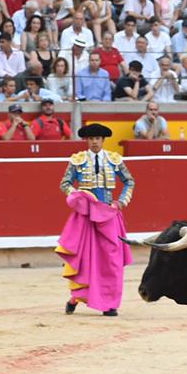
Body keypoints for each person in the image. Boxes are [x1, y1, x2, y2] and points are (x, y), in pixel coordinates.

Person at [55, 123, 134, 317]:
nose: (94, 142)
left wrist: (121, 201)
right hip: (86, 216)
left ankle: (110, 303)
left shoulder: (114, 159)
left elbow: (129, 181)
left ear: (103, 140)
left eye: (97, 138)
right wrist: (77, 197)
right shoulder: (77, 160)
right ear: (87, 140)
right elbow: (65, 183)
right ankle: (75, 298)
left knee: (112, 260)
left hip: (108, 214)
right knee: (86, 259)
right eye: (91, 139)